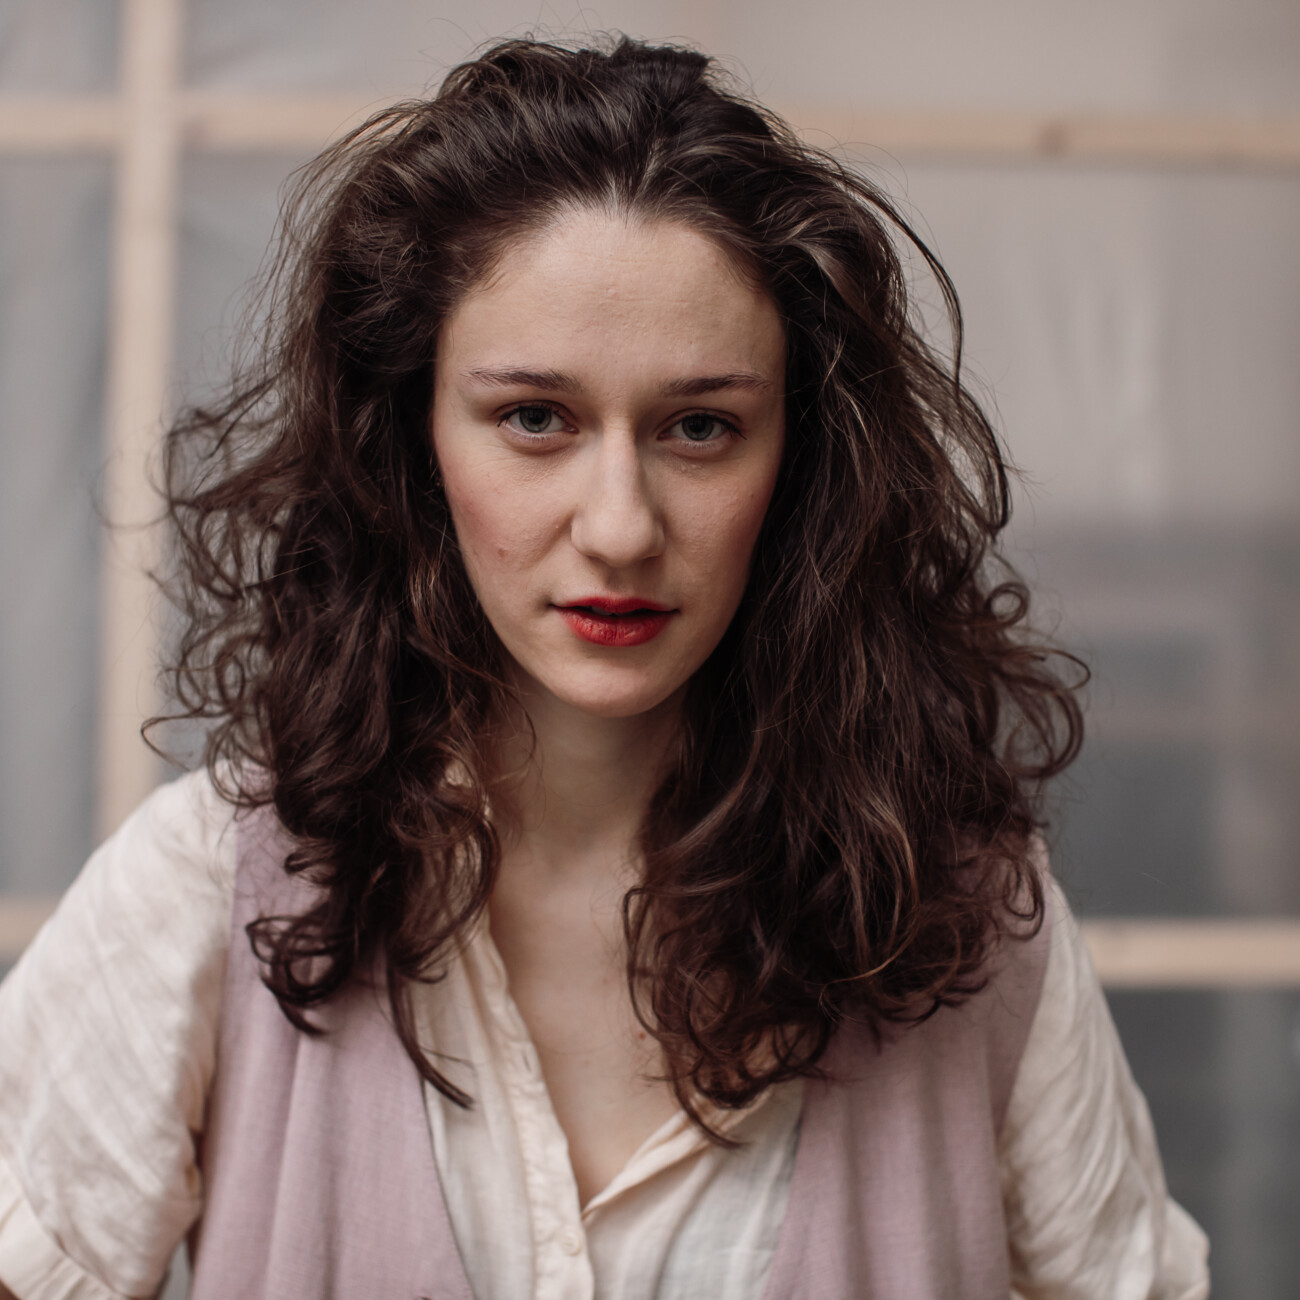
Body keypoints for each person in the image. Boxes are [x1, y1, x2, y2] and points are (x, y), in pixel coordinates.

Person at [0, 35, 1208, 1300]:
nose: (621, 526)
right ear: (412, 440)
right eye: (535, 418)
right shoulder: (205, 889)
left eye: (700, 427)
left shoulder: (967, 919)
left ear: (798, 461)